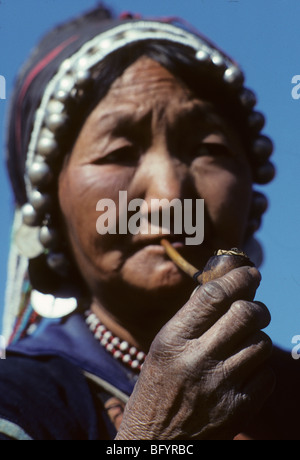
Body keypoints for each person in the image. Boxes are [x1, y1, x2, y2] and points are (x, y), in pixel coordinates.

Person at [0, 4, 292, 440]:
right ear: (49, 207)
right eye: (118, 153)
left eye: (208, 147)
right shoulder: (17, 401)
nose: (169, 197)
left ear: (253, 193)